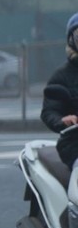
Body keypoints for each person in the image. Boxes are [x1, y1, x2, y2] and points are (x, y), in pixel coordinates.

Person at [41, 13, 78, 168]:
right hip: (74, 143)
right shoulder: (62, 76)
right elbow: (49, 111)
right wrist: (62, 121)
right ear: (71, 39)